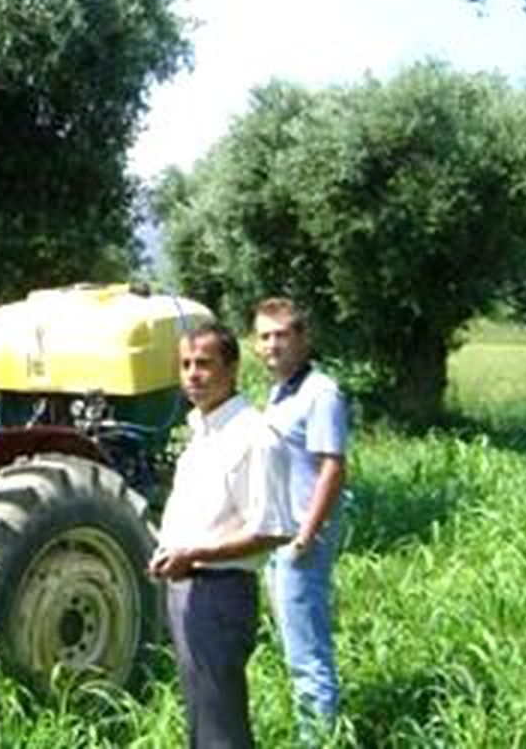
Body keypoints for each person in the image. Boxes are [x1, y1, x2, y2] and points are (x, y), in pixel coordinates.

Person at [150, 322, 293, 749]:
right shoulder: (201, 432)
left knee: (221, 728)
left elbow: (272, 530)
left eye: (204, 364)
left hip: (221, 592)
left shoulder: (254, 437)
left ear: (231, 369)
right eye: (185, 365)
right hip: (185, 589)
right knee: (201, 720)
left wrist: (193, 554)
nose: (193, 375)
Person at [254, 297, 348, 741]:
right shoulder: (280, 392)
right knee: (295, 645)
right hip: (280, 536)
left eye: (281, 335)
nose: (273, 344)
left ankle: (319, 739)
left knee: (307, 655)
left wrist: (305, 537)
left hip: (301, 537)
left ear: (302, 339)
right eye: (264, 336)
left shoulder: (320, 393)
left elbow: (333, 467)